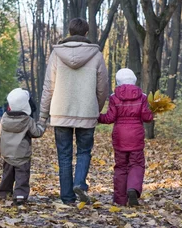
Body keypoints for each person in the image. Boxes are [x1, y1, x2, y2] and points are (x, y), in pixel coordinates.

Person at [39, 18, 109, 204]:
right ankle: (79, 182)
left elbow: (48, 87)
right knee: (84, 152)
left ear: (69, 32)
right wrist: (96, 108)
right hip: (87, 112)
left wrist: (43, 116)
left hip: (60, 112)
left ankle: (67, 197)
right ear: (86, 33)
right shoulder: (96, 55)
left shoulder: (56, 55)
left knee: (64, 155)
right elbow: (103, 88)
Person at [98, 69, 153, 206]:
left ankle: (120, 200)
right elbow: (147, 118)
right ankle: (133, 188)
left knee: (121, 167)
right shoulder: (142, 97)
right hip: (136, 136)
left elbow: (110, 118)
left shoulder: (114, 97)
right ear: (134, 80)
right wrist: (152, 111)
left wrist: (97, 117)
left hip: (120, 137)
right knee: (136, 164)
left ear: (118, 81)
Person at [0, 88, 45, 205]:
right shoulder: (27, 120)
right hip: (22, 154)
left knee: (7, 174)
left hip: (6, 153)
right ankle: (20, 195)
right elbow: (36, 133)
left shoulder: (4, 117)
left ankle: (4, 192)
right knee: (22, 175)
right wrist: (42, 124)